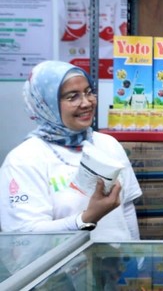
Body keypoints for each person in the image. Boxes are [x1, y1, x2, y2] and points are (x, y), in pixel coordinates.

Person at [0, 60, 141, 240]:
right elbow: (24, 234)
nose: (86, 103)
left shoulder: (108, 144)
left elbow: (127, 208)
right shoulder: (24, 160)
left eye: (89, 92)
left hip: (118, 263)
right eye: (72, 96)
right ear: (45, 104)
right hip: (63, 266)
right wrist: (87, 218)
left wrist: (138, 259)